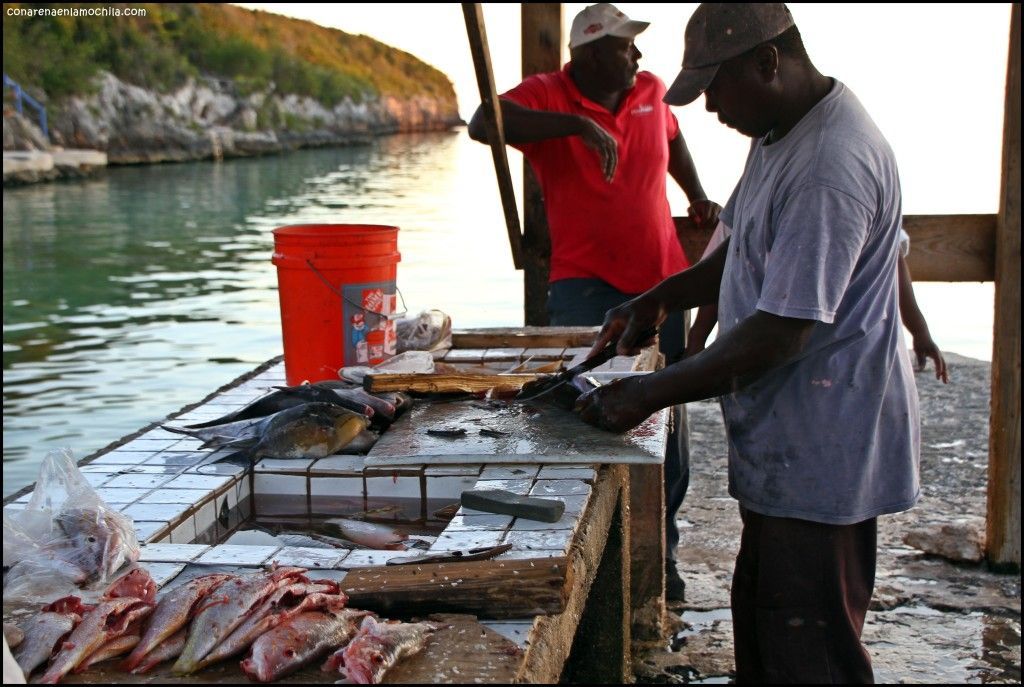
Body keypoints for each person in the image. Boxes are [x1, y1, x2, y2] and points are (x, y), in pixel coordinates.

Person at [575, 4, 920, 682]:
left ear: (768, 62)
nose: (707, 108)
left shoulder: (831, 164)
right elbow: (739, 249)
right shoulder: (778, 135)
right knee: (766, 623)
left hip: (827, 444)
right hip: (787, 443)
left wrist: (647, 393)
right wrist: (663, 296)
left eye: (715, 87)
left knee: (810, 646)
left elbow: (782, 332)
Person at [468, 2, 720, 602]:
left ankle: (662, 558)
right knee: (584, 422)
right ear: (586, 52)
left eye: (636, 46)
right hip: (584, 288)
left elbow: (674, 139)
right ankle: (589, 559)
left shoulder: (653, 90)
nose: (637, 56)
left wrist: (699, 195)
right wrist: (577, 127)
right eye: (624, 46)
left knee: (667, 424)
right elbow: (483, 122)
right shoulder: (550, 94)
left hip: (663, 283)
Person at [687, 225, 950, 384]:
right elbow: (720, 273)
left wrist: (920, 331)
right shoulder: (750, 199)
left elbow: (893, 266)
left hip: (849, 354)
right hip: (769, 358)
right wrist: (697, 339)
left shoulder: (857, 194)